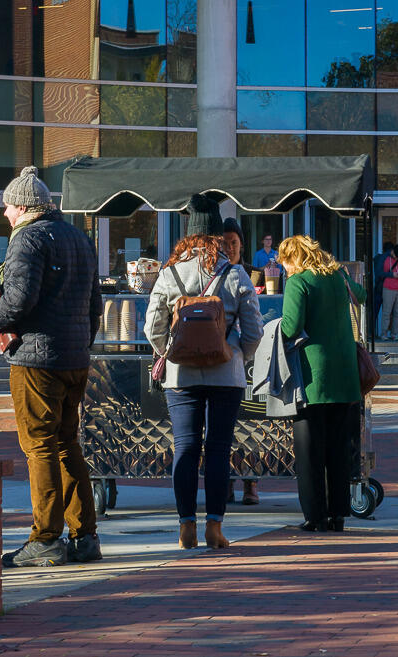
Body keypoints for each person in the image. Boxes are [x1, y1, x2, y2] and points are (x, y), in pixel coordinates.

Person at [0, 166, 103, 567]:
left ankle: (45, 538)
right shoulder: (79, 238)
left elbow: (18, 300)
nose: (5, 214)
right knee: (68, 444)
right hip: (74, 359)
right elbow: (94, 306)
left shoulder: (28, 238)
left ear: (24, 207)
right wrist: (80, 345)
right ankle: (84, 536)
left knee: (39, 447)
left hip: (36, 361)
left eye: (8, 206)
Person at [145, 194, 263, 550]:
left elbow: (152, 327)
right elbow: (254, 329)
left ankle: (185, 526)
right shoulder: (236, 273)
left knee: (184, 448)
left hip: (181, 376)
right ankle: (215, 526)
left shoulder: (169, 273)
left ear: (189, 236)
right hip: (226, 374)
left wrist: (169, 351)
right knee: (218, 448)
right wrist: (236, 353)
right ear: (217, 235)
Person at [277, 235, 364, 532]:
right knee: (339, 448)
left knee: (309, 450)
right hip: (346, 374)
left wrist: (271, 328)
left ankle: (314, 515)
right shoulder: (338, 275)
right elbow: (362, 295)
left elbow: (290, 326)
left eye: (285, 262)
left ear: (294, 258)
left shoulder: (298, 282)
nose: (284, 269)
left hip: (313, 377)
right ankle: (338, 513)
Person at [222, 217, 261, 505]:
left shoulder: (251, 274)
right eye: (224, 243)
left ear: (241, 246)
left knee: (252, 425)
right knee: (224, 429)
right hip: (225, 359)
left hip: (248, 359)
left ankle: (251, 483)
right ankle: (226, 482)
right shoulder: (215, 273)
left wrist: (248, 353)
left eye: (233, 243)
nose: (229, 248)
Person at [380, 244, 398, 340]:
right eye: (395, 255)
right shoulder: (384, 258)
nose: (395, 257)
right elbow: (379, 273)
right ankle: (384, 334)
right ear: (392, 251)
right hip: (388, 288)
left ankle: (394, 334)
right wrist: (392, 275)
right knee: (386, 312)